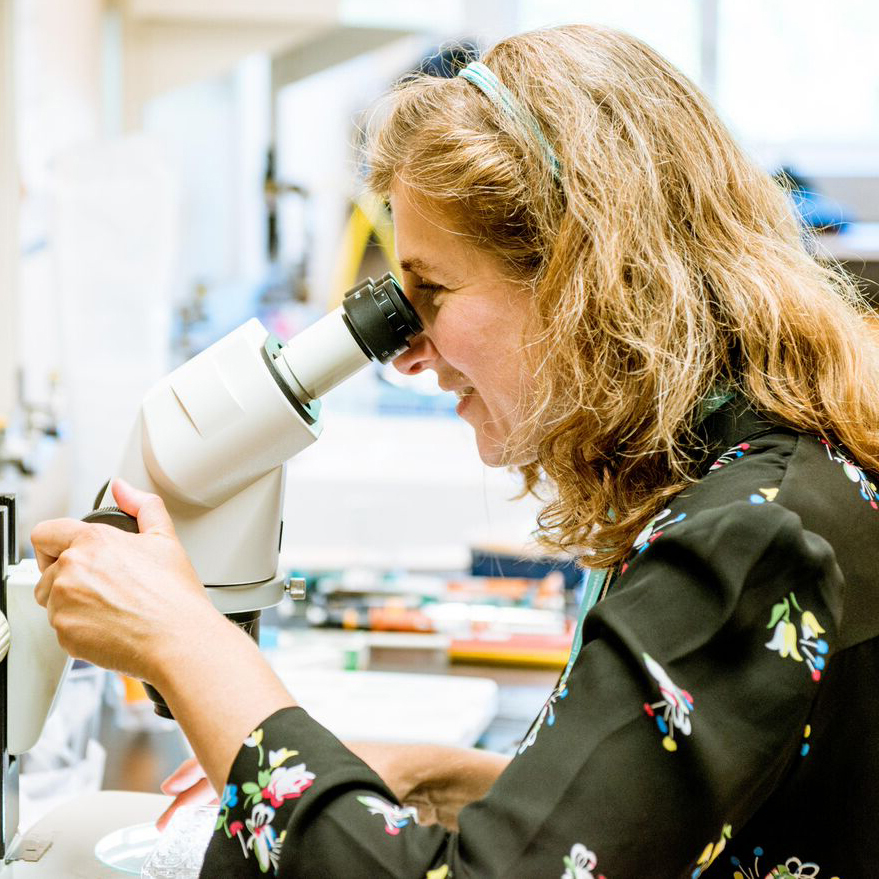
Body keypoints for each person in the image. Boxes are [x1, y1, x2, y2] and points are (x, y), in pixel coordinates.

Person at [31, 24, 879, 878]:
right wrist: (459, 787)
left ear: (583, 278)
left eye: (428, 291)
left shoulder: (743, 538)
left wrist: (185, 642)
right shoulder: (773, 467)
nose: (406, 351)